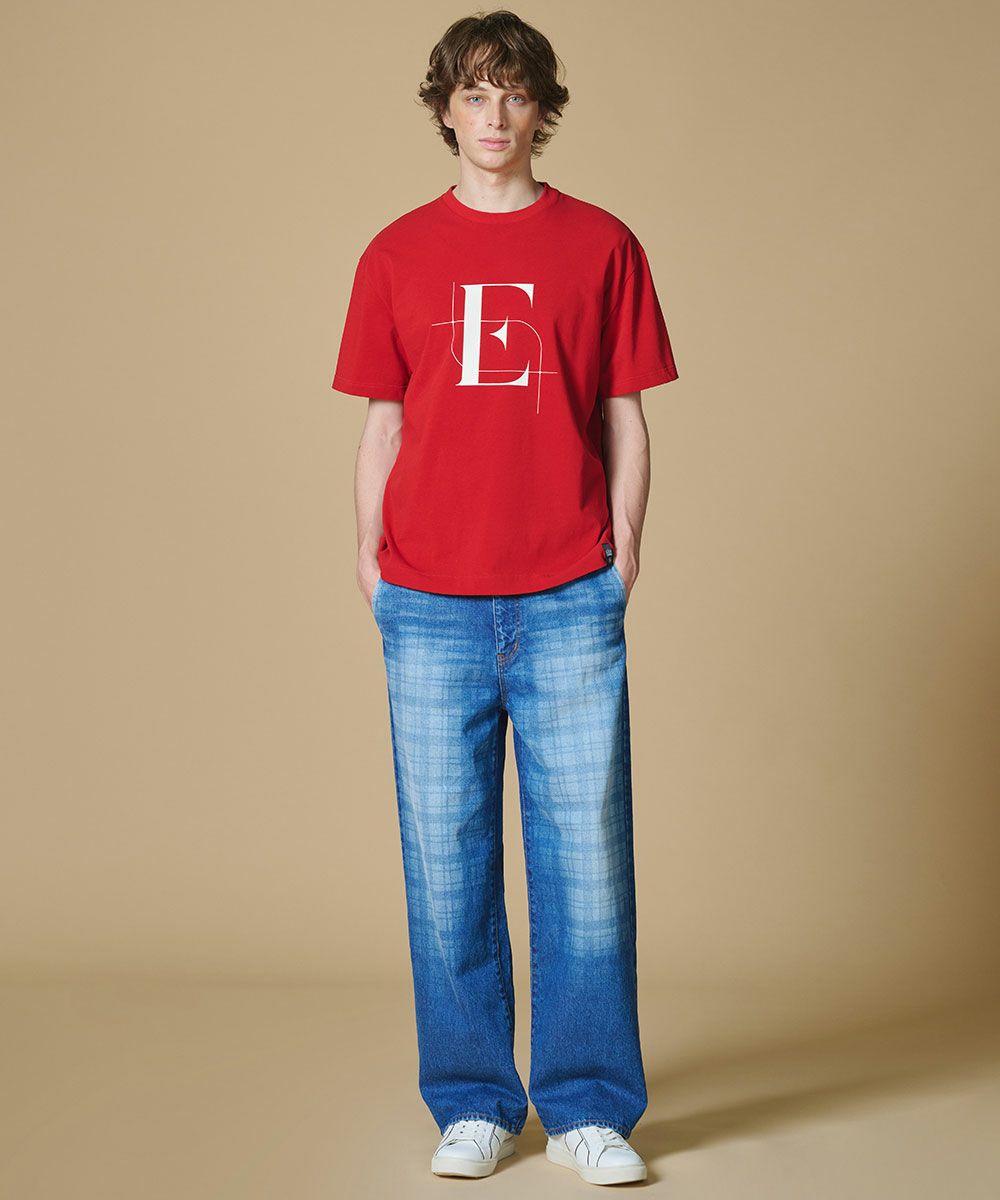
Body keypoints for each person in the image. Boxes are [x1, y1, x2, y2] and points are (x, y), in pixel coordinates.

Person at [332, 10, 678, 1186]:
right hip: (429, 600)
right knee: (447, 862)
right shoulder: (394, 254)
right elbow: (383, 422)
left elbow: (626, 415)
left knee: (586, 861)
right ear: (445, 109)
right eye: (473, 94)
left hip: (568, 593)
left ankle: (587, 1106)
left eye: (514, 93)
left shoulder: (602, 245)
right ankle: (475, 1101)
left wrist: (622, 555)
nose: (494, 115)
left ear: (541, 109)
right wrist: (370, 557)